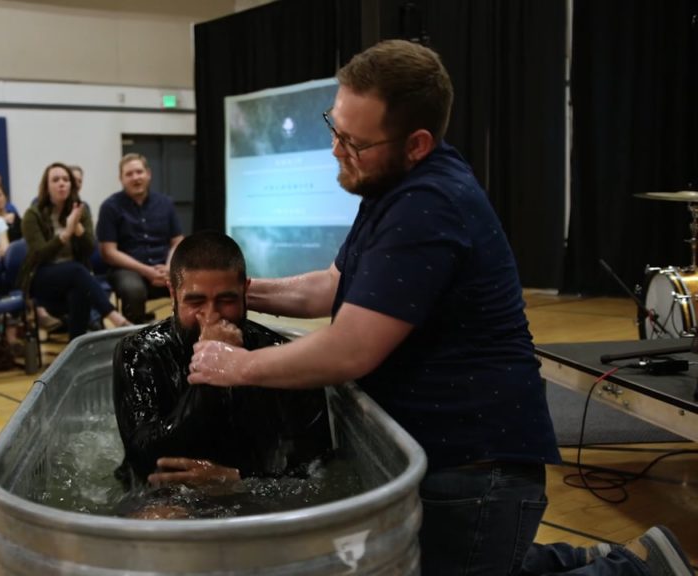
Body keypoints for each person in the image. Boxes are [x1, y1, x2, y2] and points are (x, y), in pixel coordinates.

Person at [185, 40, 694, 575]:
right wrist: (237, 293)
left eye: (353, 141)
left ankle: (637, 571)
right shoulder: (392, 185)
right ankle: (610, 559)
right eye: (334, 128)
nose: (336, 150)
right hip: (450, 456)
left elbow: (349, 349)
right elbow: (335, 285)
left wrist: (238, 365)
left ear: (417, 143)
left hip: (474, 465)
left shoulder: (427, 207)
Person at [113, 231, 331, 494]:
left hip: (254, 496)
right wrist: (212, 374)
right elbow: (146, 461)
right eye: (195, 301)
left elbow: (316, 472)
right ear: (173, 292)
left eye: (226, 301)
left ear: (245, 291)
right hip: (169, 500)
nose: (211, 316)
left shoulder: (281, 355)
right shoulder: (140, 352)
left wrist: (240, 483)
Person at [19, 162, 130, 339]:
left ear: (71, 185)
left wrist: (77, 228)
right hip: (41, 277)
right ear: (46, 187)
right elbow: (39, 254)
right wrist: (66, 233)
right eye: (55, 180)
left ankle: (74, 347)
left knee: (79, 291)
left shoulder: (80, 210)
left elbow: (89, 250)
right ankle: (114, 317)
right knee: (77, 271)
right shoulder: (33, 215)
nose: (62, 183)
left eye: (65, 179)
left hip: (73, 278)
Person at [97, 153, 184, 324]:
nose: (135, 177)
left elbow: (177, 240)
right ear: (121, 179)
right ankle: (135, 338)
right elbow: (108, 252)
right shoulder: (110, 207)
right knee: (133, 290)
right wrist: (147, 271)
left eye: (139, 172)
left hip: (163, 265)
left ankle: (183, 332)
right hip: (128, 268)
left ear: (148, 174)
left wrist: (169, 267)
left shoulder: (165, 203)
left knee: (192, 282)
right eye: (129, 174)